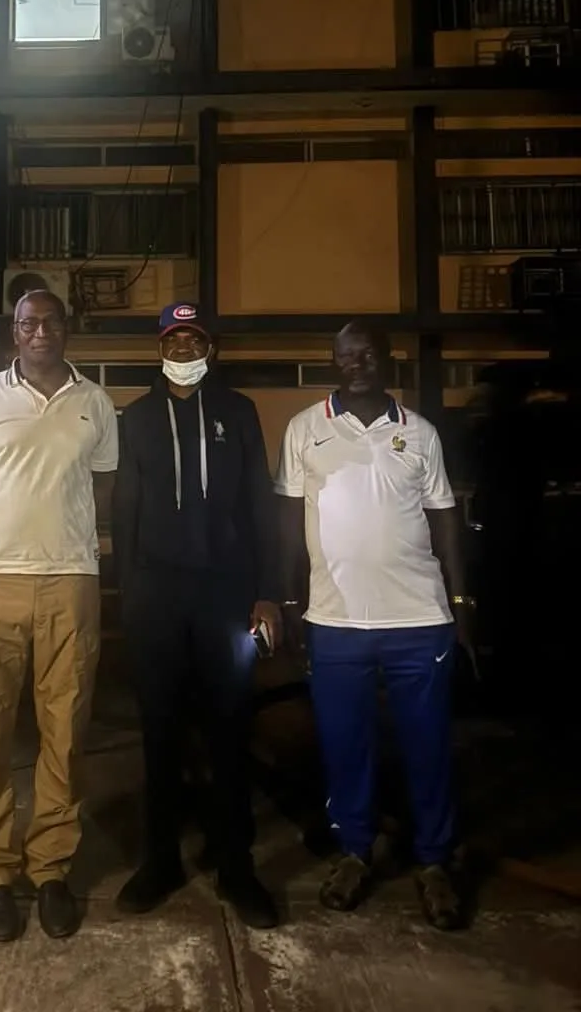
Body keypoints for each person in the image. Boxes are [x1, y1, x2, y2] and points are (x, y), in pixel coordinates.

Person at [275, 321, 475, 931]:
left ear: (387, 360)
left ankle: (434, 861)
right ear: (333, 362)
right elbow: (287, 521)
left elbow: (445, 519)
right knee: (345, 746)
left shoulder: (420, 433)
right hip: (335, 620)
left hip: (419, 617)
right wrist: (289, 600)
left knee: (428, 746)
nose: (356, 363)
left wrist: (460, 602)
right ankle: (354, 852)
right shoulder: (304, 429)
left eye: (366, 354)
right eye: (345, 355)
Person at [0, 290, 118, 942]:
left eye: (50, 321)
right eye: (27, 323)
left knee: (64, 732)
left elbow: (101, 490)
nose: (40, 331)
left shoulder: (96, 403)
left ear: (66, 329)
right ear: (13, 332)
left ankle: (50, 869)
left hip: (71, 581)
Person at [111, 302, 282, 929]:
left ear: (211, 347)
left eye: (194, 340)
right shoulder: (136, 417)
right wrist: (129, 594)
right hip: (156, 595)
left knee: (229, 729)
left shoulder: (238, 412)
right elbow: (124, 511)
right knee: (159, 730)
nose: (183, 350)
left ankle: (236, 865)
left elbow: (261, 504)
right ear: (159, 348)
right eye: (173, 340)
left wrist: (268, 592)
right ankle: (161, 860)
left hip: (226, 596)